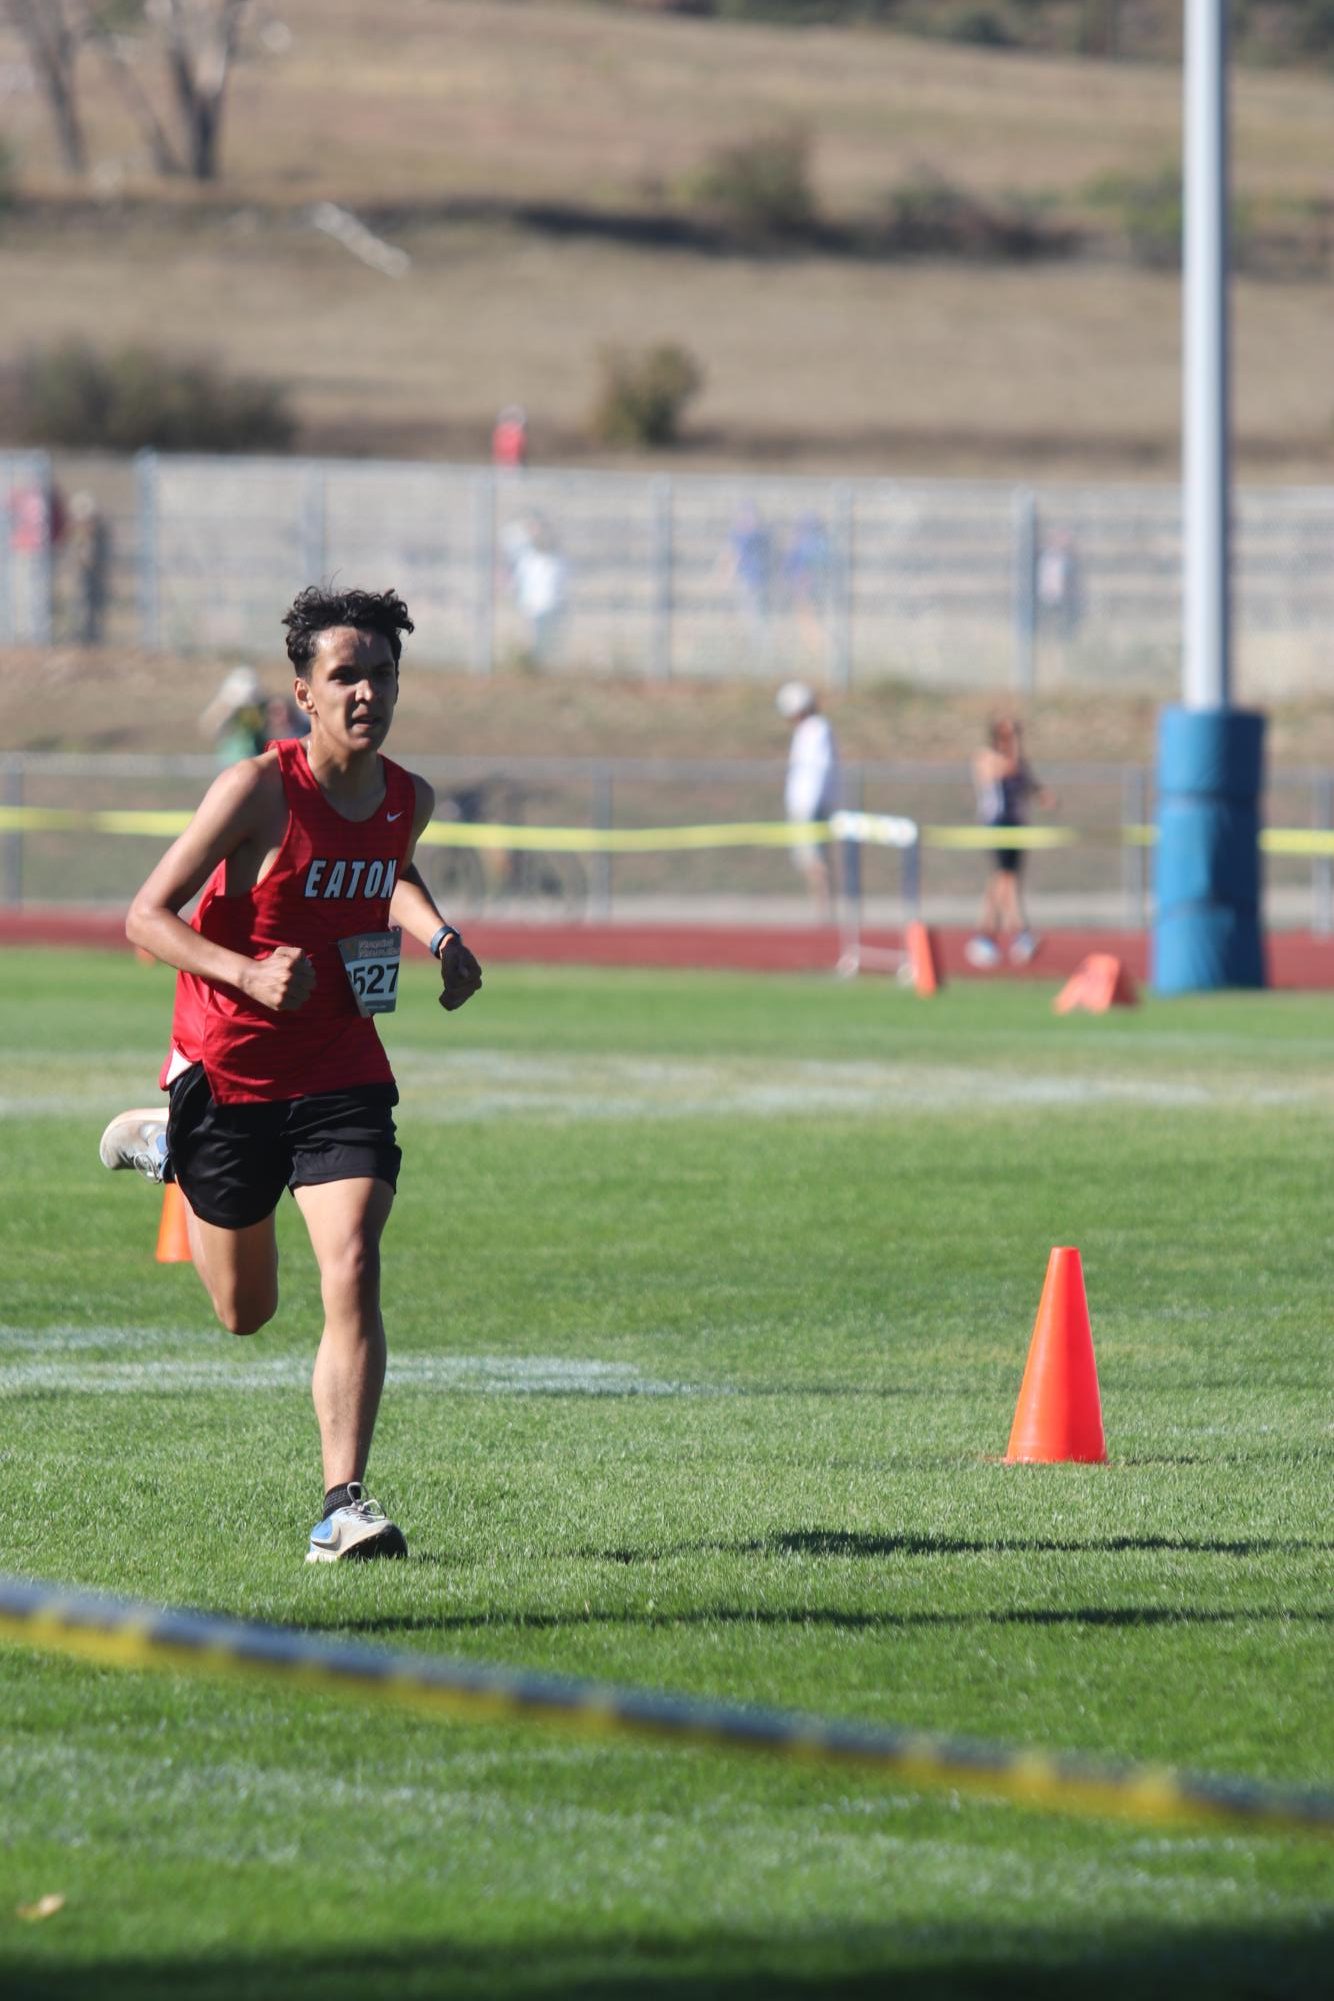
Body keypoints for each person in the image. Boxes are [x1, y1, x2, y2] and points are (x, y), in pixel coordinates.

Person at [97, 586, 483, 1564]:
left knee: (352, 1259)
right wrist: (244, 972)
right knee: (246, 1313)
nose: (367, 691)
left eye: (382, 674)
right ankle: (173, 1145)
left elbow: (387, 863)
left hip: (342, 1065)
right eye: (345, 675)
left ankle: (342, 1506)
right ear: (303, 693)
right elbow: (145, 918)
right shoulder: (256, 792)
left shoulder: (409, 797)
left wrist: (439, 936)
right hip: (227, 1071)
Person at [966, 714, 1056, 969]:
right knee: (1007, 879)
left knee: (1001, 879)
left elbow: (1030, 783)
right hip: (997, 824)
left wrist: (1044, 795)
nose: (1012, 740)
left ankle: (984, 937)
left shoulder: (1020, 761)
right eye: (1007, 735)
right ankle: (1020, 934)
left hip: (1017, 825)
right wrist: (1013, 747)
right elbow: (1006, 769)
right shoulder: (987, 757)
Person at [776, 680, 840, 922]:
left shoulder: (816, 729)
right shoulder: (809, 730)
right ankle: (822, 909)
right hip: (806, 804)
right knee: (811, 860)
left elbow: (820, 770)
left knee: (814, 860)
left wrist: (810, 806)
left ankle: (823, 911)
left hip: (810, 805)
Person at [199, 665, 268, 768]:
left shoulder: (262, 707)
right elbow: (210, 728)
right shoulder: (225, 708)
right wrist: (230, 708)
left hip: (258, 759)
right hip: (232, 762)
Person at [67, 491, 111, 646]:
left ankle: (93, 637)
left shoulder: (100, 531)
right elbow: (79, 554)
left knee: (95, 605)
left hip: (95, 574)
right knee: (82, 604)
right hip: (84, 574)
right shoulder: (81, 532)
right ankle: (81, 636)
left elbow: (97, 555)